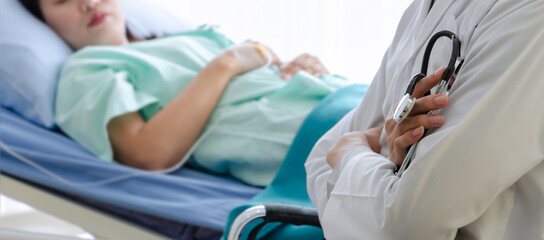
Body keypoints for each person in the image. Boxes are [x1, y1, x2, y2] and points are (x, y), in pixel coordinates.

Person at [19, 0, 349, 186]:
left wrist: (300, 67)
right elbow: (146, 153)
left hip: (338, 97)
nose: (88, 3)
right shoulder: (87, 69)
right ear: (44, 22)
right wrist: (228, 62)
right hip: (309, 134)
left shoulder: (179, 39)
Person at [306, 0, 544, 239]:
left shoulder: (529, 12)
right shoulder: (419, 9)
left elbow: (407, 227)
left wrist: (351, 155)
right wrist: (393, 170)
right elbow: (319, 160)